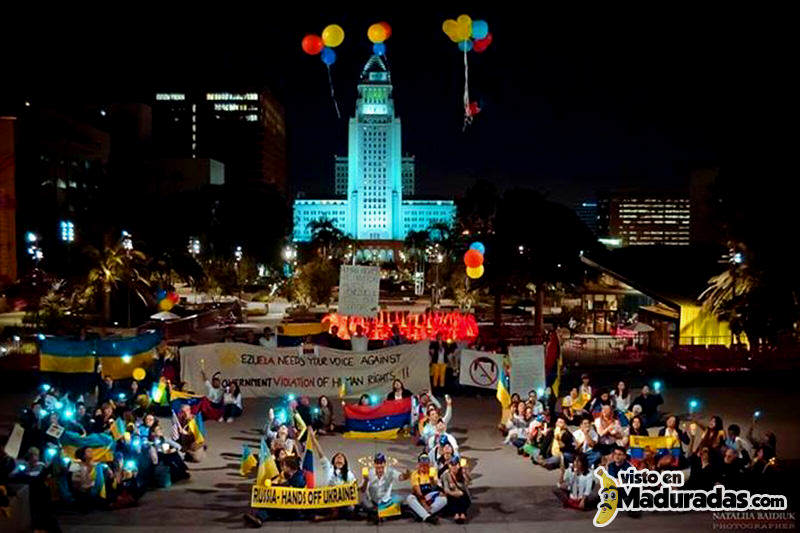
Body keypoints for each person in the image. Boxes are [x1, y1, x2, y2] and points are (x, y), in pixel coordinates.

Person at [245, 455, 306, 527]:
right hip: (288, 503)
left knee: (271, 507)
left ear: (289, 467)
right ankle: (257, 516)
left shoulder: (298, 477)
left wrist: (278, 485)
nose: (282, 468)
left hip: (294, 507)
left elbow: (290, 491)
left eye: (284, 466)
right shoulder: (290, 474)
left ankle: (259, 519)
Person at [361, 453, 411, 523]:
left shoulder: (390, 471)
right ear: (374, 464)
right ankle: (381, 514)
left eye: (381, 463)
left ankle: (378, 514)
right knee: (364, 503)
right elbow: (362, 489)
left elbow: (401, 477)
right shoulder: (370, 472)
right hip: (372, 500)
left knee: (401, 499)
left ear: (385, 464)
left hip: (385, 501)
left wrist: (407, 475)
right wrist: (366, 480)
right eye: (377, 463)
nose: (379, 465)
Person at [406, 452, 447, 524]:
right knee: (410, 498)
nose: (424, 467)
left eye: (426, 465)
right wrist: (424, 504)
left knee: (444, 499)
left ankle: (421, 513)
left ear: (429, 464)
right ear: (418, 464)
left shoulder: (433, 471)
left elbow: (436, 486)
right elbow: (418, 492)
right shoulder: (415, 474)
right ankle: (427, 516)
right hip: (420, 497)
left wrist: (431, 479)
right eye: (422, 465)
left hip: (431, 496)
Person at [441, 455, 471, 523]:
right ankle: (458, 513)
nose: (454, 467)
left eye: (456, 464)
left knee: (462, 495)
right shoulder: (446, 475)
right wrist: (454, 493)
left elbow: (466, 484)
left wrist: (465, 472)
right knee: (455, 497)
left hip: (463, 495)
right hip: (451, 496)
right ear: (449, 466)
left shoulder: (462, 473)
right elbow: (446, 489)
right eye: (452, 465)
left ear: (459, 465)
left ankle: (462, 513)